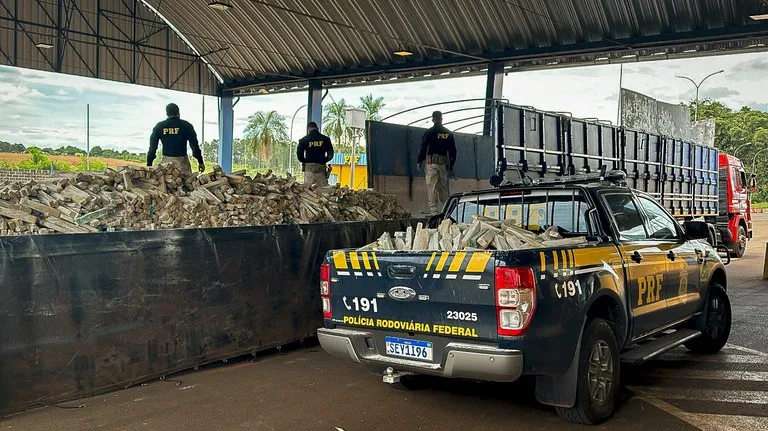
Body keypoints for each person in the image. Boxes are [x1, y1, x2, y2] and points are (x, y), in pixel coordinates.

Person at [147, 103, 204, 174]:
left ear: (167, 113)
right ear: (178, 112)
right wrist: (200, 162)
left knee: (166, 183)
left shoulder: (159, 126)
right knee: (186, 183)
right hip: (182, 164)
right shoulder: (186, 126)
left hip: (166, 165)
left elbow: (152, 148)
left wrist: (149, 165)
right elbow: (194, 146)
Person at [417, 111, 457, 213]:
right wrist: (451, 164)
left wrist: (419, 161)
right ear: (441, 119)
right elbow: (453, 151)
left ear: (433, 119)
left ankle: (433, 209)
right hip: (442, 164)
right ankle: (445, 208)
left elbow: (423, 147)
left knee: (432, 185)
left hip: (431, 163)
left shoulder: (429, 132)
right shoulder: (448, 133)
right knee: (442, 185)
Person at [297, 122, 334, 186]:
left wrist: (305, 161)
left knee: (308, 188)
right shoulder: (325, 139)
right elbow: (330, 155)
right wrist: (323, 160)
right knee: (322, 188)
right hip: (321, 167)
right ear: (317, 128)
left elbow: (299, 155)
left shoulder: (304, 140)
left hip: (309, 167)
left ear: (308, 129)